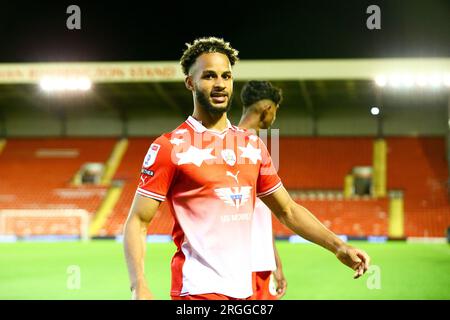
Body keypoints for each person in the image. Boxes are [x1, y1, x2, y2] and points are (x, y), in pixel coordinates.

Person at [123, 37, 370, 300]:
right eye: (208, 76)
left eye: (226, 76)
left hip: (244, 291)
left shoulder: (252, 145)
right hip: (198, 291)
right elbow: (138, 221)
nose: (219, 84)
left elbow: (287, 210)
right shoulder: (170, 147)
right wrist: (139, 284)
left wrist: (338, 246)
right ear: (190, 83)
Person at [239, 80, 286, 300]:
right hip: (243, 265)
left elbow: (260, 211)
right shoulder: (243, 147)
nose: (275, 117)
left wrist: (274, 259)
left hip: (259, 261)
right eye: (275, 110)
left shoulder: (256, 146)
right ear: (267, 109)